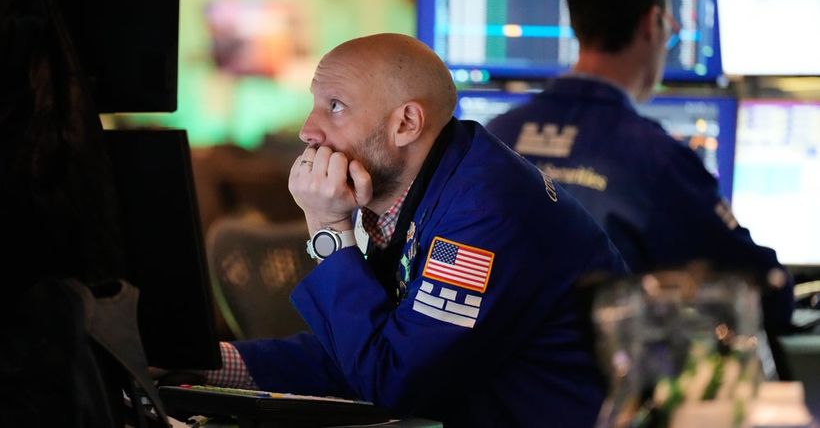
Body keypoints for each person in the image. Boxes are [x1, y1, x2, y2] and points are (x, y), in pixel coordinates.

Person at [201, 33, 629, 427]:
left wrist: (328, 227)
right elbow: (362, 349)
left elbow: (392, 381)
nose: (307, 130)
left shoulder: (482, 213)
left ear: (406, 124)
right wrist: (210, 364)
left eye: (335, 106)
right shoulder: (433, 183)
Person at [485, 0, 793, 336]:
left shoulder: (495, 136)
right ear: (651, 23)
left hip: (494, 368)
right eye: (671, 28)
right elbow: (764, 289)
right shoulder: (656, 159)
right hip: (607, 367)